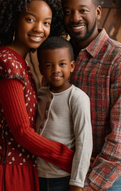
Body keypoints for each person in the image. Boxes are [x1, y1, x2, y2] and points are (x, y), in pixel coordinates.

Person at [0, 0, 121, 191]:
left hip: (103, 179)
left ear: (97, 12)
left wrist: (85, 183)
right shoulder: (57, 56)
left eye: (82, 10)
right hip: (53, 176)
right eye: (68, 12)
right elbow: (39, 115)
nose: (75, 18)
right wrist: (3, 122)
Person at [0, 0, 76, 191]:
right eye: (31, 19)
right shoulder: (8, 61)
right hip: (6, 172)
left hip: (22, 168)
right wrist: (73, 159)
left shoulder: (23, 62)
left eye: (46, 23)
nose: (39, 28)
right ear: (13, 20)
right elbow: (21, 131)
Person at [36, 36, 93, 191]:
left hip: (63, 179)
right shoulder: (39, 95)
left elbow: (84, 143)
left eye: (62, 64)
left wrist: (76, 183)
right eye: (49, 65)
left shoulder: (77, 98)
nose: (56, 70)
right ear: (41, 69)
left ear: (72, 66)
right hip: (35, 177)